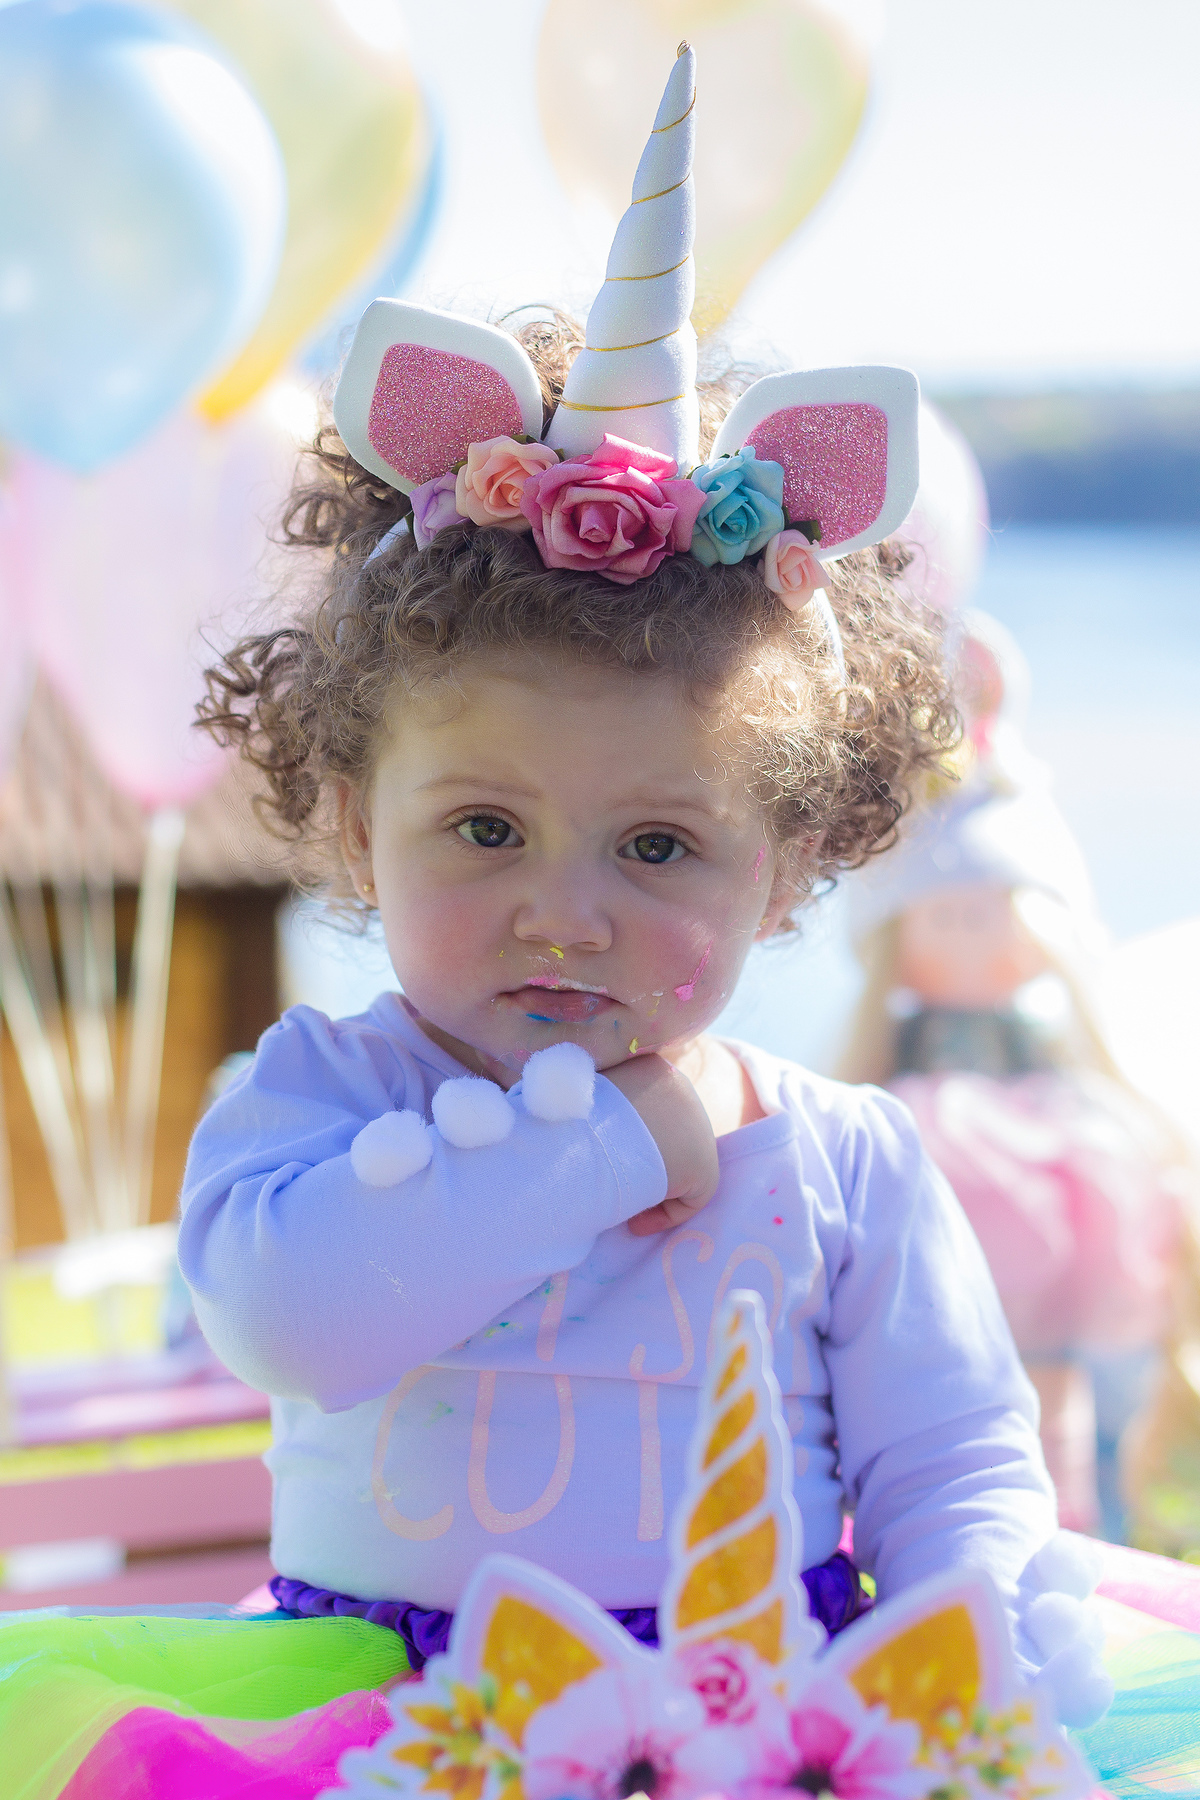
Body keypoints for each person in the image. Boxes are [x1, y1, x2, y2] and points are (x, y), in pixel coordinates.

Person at [0, 47, 1111, 1800]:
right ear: (360, 824)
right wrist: (610, 1149)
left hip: (756, 1722)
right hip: (393, 1716)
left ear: (793, 862)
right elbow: (299, 1320)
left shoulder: (838, 1161)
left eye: (661, 845)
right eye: (486, 827)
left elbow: (953, 1454)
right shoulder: (314, 1096)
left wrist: (981, 1655)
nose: (566, 911)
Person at [838, 611, 1189, 1539]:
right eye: (944, 915)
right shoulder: (897, 1064)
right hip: (943, 1180)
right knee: (933, 1381)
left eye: (993, 911)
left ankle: (1066, 1521)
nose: (972, 933)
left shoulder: (1045, 1042)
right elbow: (850, 1074)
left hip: (1056, 1193)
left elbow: (1108, 1067)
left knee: (1051, 1379)